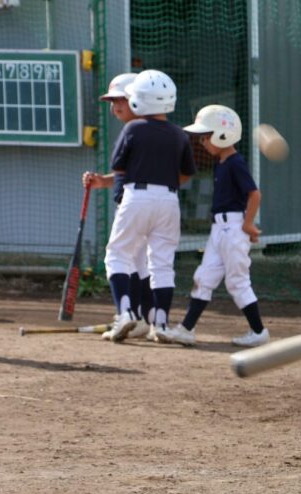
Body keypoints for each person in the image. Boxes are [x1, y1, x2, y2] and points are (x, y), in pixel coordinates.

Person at [157, 105, 270, 348]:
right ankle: (186, 329)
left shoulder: (235, 162)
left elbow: (254, 194)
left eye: (206, 137)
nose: (202, 143)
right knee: (204, 278)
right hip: (219, 230)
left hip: (234, 228)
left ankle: (259, 331)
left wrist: (248, 224)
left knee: (237, 282)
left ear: (222, 135)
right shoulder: (221, 163)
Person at [103, 69, 196, 342]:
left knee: (117, 254)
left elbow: (119, 167)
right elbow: (186, 173)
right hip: (169, 200)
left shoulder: (134, 128)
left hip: (137, 196)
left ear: (138, 100)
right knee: (162, 264)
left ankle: (125, 312)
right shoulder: (179, 134)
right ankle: (162, 324)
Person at [82, 73, 154, 341]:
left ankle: (130, 315)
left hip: (135, 205)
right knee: (137, 263)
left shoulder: (136, 131)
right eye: (113, 102)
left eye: (121, 100)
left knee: (120, 257)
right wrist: (103, 181)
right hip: (138, 203)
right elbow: (128, 174)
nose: (115, 107)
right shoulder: (141, 131)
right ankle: (142, 318)